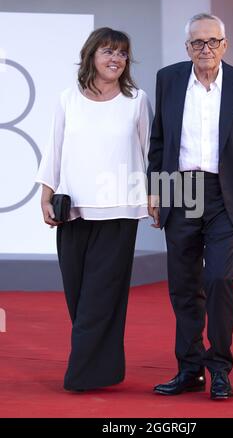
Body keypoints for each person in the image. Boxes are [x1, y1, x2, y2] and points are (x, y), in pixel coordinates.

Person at [147, 13, 233, 400]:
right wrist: (156, 190)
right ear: (186, 46)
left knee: (218, 280)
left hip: (228, 194)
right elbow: (159, 141)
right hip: (179, 188)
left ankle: (219, 367)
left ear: (224, 44)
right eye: (196, 43)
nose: (204, 49)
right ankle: (189, 369)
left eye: (212, 42)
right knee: (183, 286)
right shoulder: (168, 79)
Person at [36, 27, 151, 392]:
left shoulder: (136, 100)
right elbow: (53, 150)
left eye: (122, 53)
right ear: (91, 55)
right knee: (78, 296)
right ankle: (105, 368)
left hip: (119, 212)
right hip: (72, 211)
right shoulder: (67, 99)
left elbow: (153, 153)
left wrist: (158, 199)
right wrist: (45, 195)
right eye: (108, 51)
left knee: (101, 298)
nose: (115, 59)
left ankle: (82, 376)